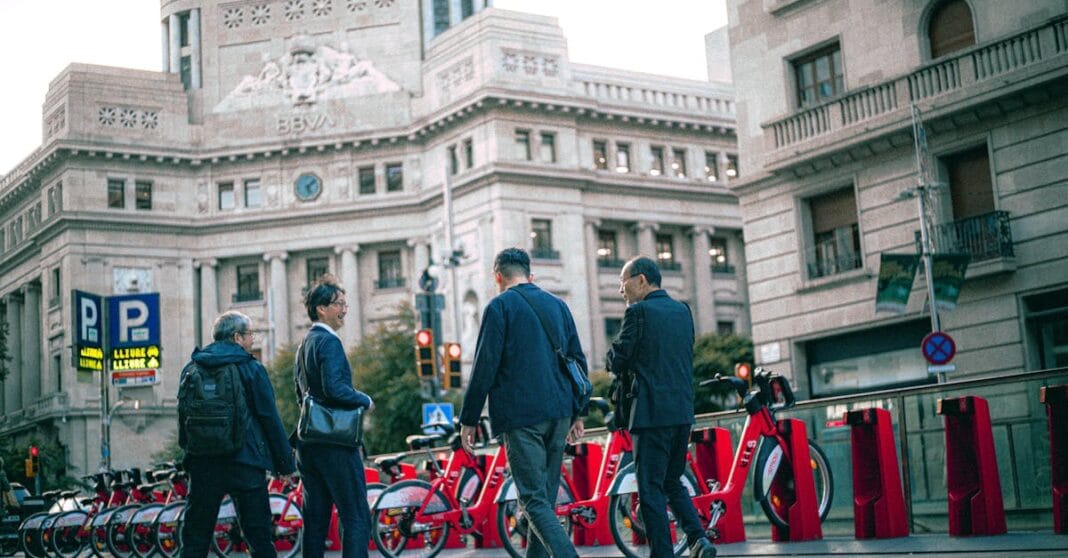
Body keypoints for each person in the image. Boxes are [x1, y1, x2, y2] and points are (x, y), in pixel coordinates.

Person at [459, 247, 587, 558]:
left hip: (522, 416)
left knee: (532, 501)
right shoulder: (558, 305)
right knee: (542, 499)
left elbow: (485, 365)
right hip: (560, 413)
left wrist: (469, 419)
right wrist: (579, 412)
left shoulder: (499, 307)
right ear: (530, 274)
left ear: (497, 276)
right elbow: (577, 360)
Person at [607, 256, 717, 558]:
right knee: (672, 480)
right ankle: (698, 539)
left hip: (650, 414)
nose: (621, 290)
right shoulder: (683, 311)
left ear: (641, 280)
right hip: (681, 412)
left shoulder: (638, 312)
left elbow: (617, 359)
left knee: (651, 489)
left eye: (623, 282)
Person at [179, 311, 294, 558]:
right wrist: (284, 464)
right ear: (237, 337)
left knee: (195, 537)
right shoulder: (251, 368)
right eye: (249, 334)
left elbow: (183, 418)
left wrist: (190, 455)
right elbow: (269, 417)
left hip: (203, 464)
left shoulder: (192, 367)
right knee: (259, 537)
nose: (252, 339)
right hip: (245, 462)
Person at [294, 276, 374, 558]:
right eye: (339, 303)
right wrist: (365, 399)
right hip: (336, 444)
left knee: (315, 521)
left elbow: (300, 392)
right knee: (355, 515)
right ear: (321, 309)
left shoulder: (304, 344)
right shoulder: (329, 341)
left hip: (309, 444)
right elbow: (335, 388)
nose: (344, 309)